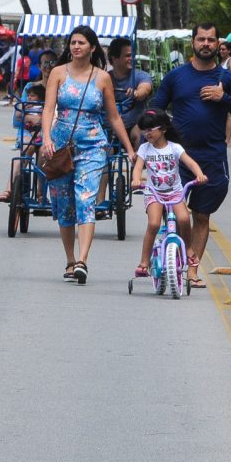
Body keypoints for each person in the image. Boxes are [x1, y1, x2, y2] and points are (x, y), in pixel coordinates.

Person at [149, 22, 231, 289]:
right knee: (175, 212)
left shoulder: (226, 79)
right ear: (193, 43)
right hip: (179, 157)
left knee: (202, 215)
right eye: (201, 39)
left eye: (211, 40)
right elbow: (156, 111)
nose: (206, 44)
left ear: (218, 44)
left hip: (212, 157)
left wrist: (223, 98)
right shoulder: (176, 77)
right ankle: (174, 257)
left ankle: (192, 270)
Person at [40, 25, 136, 285]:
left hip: (93, 145)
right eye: (72, 42)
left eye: (81, 42)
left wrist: (129, 148)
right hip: (60, 146)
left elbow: (114, 117)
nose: (76, 47)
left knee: (86, 199)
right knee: (64, 204)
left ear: (92, 47)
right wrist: (46, 138)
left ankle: (83, 260)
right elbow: (48, 109)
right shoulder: (58, 73)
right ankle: (70, 260)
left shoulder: (102, 78)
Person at [130, 109, 207, 277]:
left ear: (163, 129)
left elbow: (191, 163)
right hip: (154, 193)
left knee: (184, 219)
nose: (147, 133)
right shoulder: (144, 148)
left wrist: (199, 174)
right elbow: (137, 168)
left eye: (151, 129)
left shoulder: (174, 148)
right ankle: (144, 262)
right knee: (153, 224)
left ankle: (188, 249)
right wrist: (136, 180)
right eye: (144, 129)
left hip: (175, 193)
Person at [107, 37, 154, 147]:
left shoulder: (141, 75)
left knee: (140, 133)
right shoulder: (105, 78)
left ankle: (139, 162)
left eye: (133, 55)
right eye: (127, 55)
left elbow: (145, 89)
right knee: (104, 146)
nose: (132, 58)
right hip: (109, 128)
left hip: (133, 125)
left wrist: (136, 93)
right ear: (114, 59)